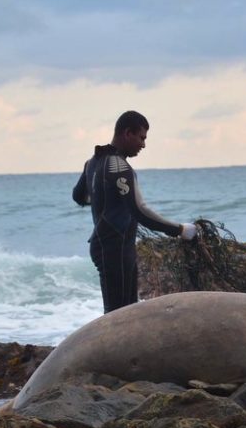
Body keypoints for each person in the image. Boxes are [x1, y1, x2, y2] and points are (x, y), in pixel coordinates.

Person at [73, 110, 198, 313]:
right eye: (141, 137)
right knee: (119, 315)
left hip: (109, 246)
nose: (143, 144)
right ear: (127, 133)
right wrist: (180, 229)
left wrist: (105, 200)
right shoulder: (119, 167)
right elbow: (140, 211)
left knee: (126, 311)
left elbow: (78, 197)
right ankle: (110, 345)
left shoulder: (92, 162)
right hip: (115, 248)